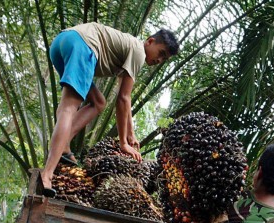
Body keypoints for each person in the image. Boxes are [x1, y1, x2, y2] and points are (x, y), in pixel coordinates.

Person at [39, 23, 180, 197]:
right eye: (161, 53)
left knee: (98, 102)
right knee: (69, 107)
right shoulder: (138, 51)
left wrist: (131, 134)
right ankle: (47, 174)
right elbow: (123, 98)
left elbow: (125, 101)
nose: (159, 60)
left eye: (164, 59)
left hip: (62, 42)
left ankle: (64, 146)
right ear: (150, 41)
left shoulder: (130, 48)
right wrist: (123, 143)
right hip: (82, 44)